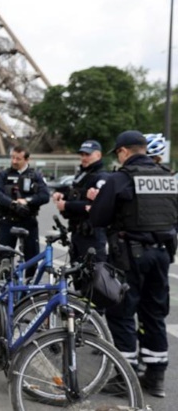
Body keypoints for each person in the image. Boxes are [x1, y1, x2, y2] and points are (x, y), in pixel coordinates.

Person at [88, 130, 178, 398]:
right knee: (154, 314)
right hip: (162, 254)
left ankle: (124, 377)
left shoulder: (121, 179)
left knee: (123, 313)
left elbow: (97, 219)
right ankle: (156, 377)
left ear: (124, 151)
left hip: (130, 255)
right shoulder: (168, 177)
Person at [0, 145, 50, 279]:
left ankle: (28, 289)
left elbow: (45, 196)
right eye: (12, 157)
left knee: (32, 257)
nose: (14, 161)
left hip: (28, 221)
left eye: (18, 158)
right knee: (4, 257)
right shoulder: (4, 175)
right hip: (8, 221)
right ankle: (6, 287)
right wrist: (12, 203)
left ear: (27, 159)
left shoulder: (35, 176)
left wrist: (27, 201)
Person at [52, 140, 108, 264]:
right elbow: (77, 194)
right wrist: (63, 195)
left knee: (94, 275)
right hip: (78, 232)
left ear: (98, 155)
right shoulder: (83, 174)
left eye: (88, 155)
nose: (84, 158)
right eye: (82, 155)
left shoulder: (101, 177)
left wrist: (66, 205)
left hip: (92, 235)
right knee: (77, 274)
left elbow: (94, 206)